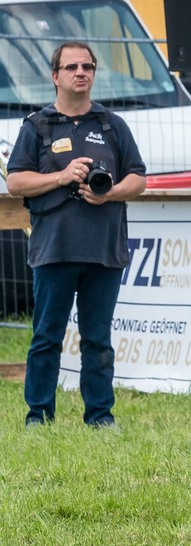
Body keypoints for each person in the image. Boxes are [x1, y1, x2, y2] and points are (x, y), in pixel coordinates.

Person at [7, 41, 146, 428]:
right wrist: (61, 176)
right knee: (46, 339)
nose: (80, 72)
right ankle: (39, 416)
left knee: (97, 342)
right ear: (56, 76)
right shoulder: (37, 126)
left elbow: (139, 179)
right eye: (71, 67)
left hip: (104, 252)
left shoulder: (112, 125)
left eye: (87, 66)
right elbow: (16, 181)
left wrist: (111, 194)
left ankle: (100, 417)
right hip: (54, 250)